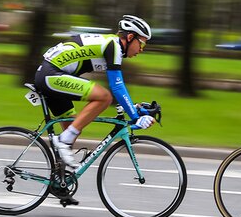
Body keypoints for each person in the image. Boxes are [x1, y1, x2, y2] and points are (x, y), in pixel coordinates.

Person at [35, 15, 157, 180]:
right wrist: (135, 118)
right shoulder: (113, 45)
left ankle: (60, 183)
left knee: (73, 127)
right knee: (104, 98)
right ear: (130, 37)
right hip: (52, 75)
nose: (142, 49)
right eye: (142, 43)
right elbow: (117, 87)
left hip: (52, 75)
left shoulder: (111, 45)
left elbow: (118, 89)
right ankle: (63, 142)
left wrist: (132, 107)